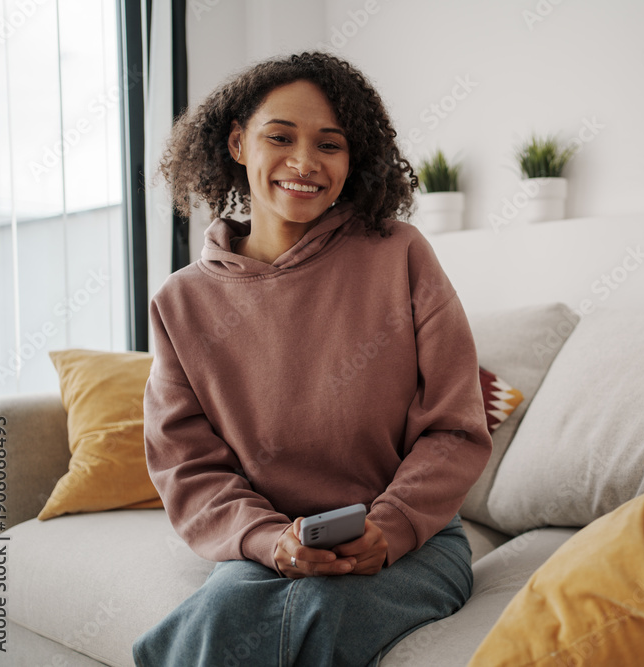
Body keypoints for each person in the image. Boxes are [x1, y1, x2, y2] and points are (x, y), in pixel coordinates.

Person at [133, 51, 493, 666]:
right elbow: (188, 468)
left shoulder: (400, 255)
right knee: (224, 613)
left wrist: (394, 525)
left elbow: (455, 428)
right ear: (239, 143)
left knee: (320, 612)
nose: (305, 163)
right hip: (271, 547)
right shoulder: (181, 302)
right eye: (281, 137)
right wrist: (273, 542)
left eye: (331, 144)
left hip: (415, 542)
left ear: (353, 161)